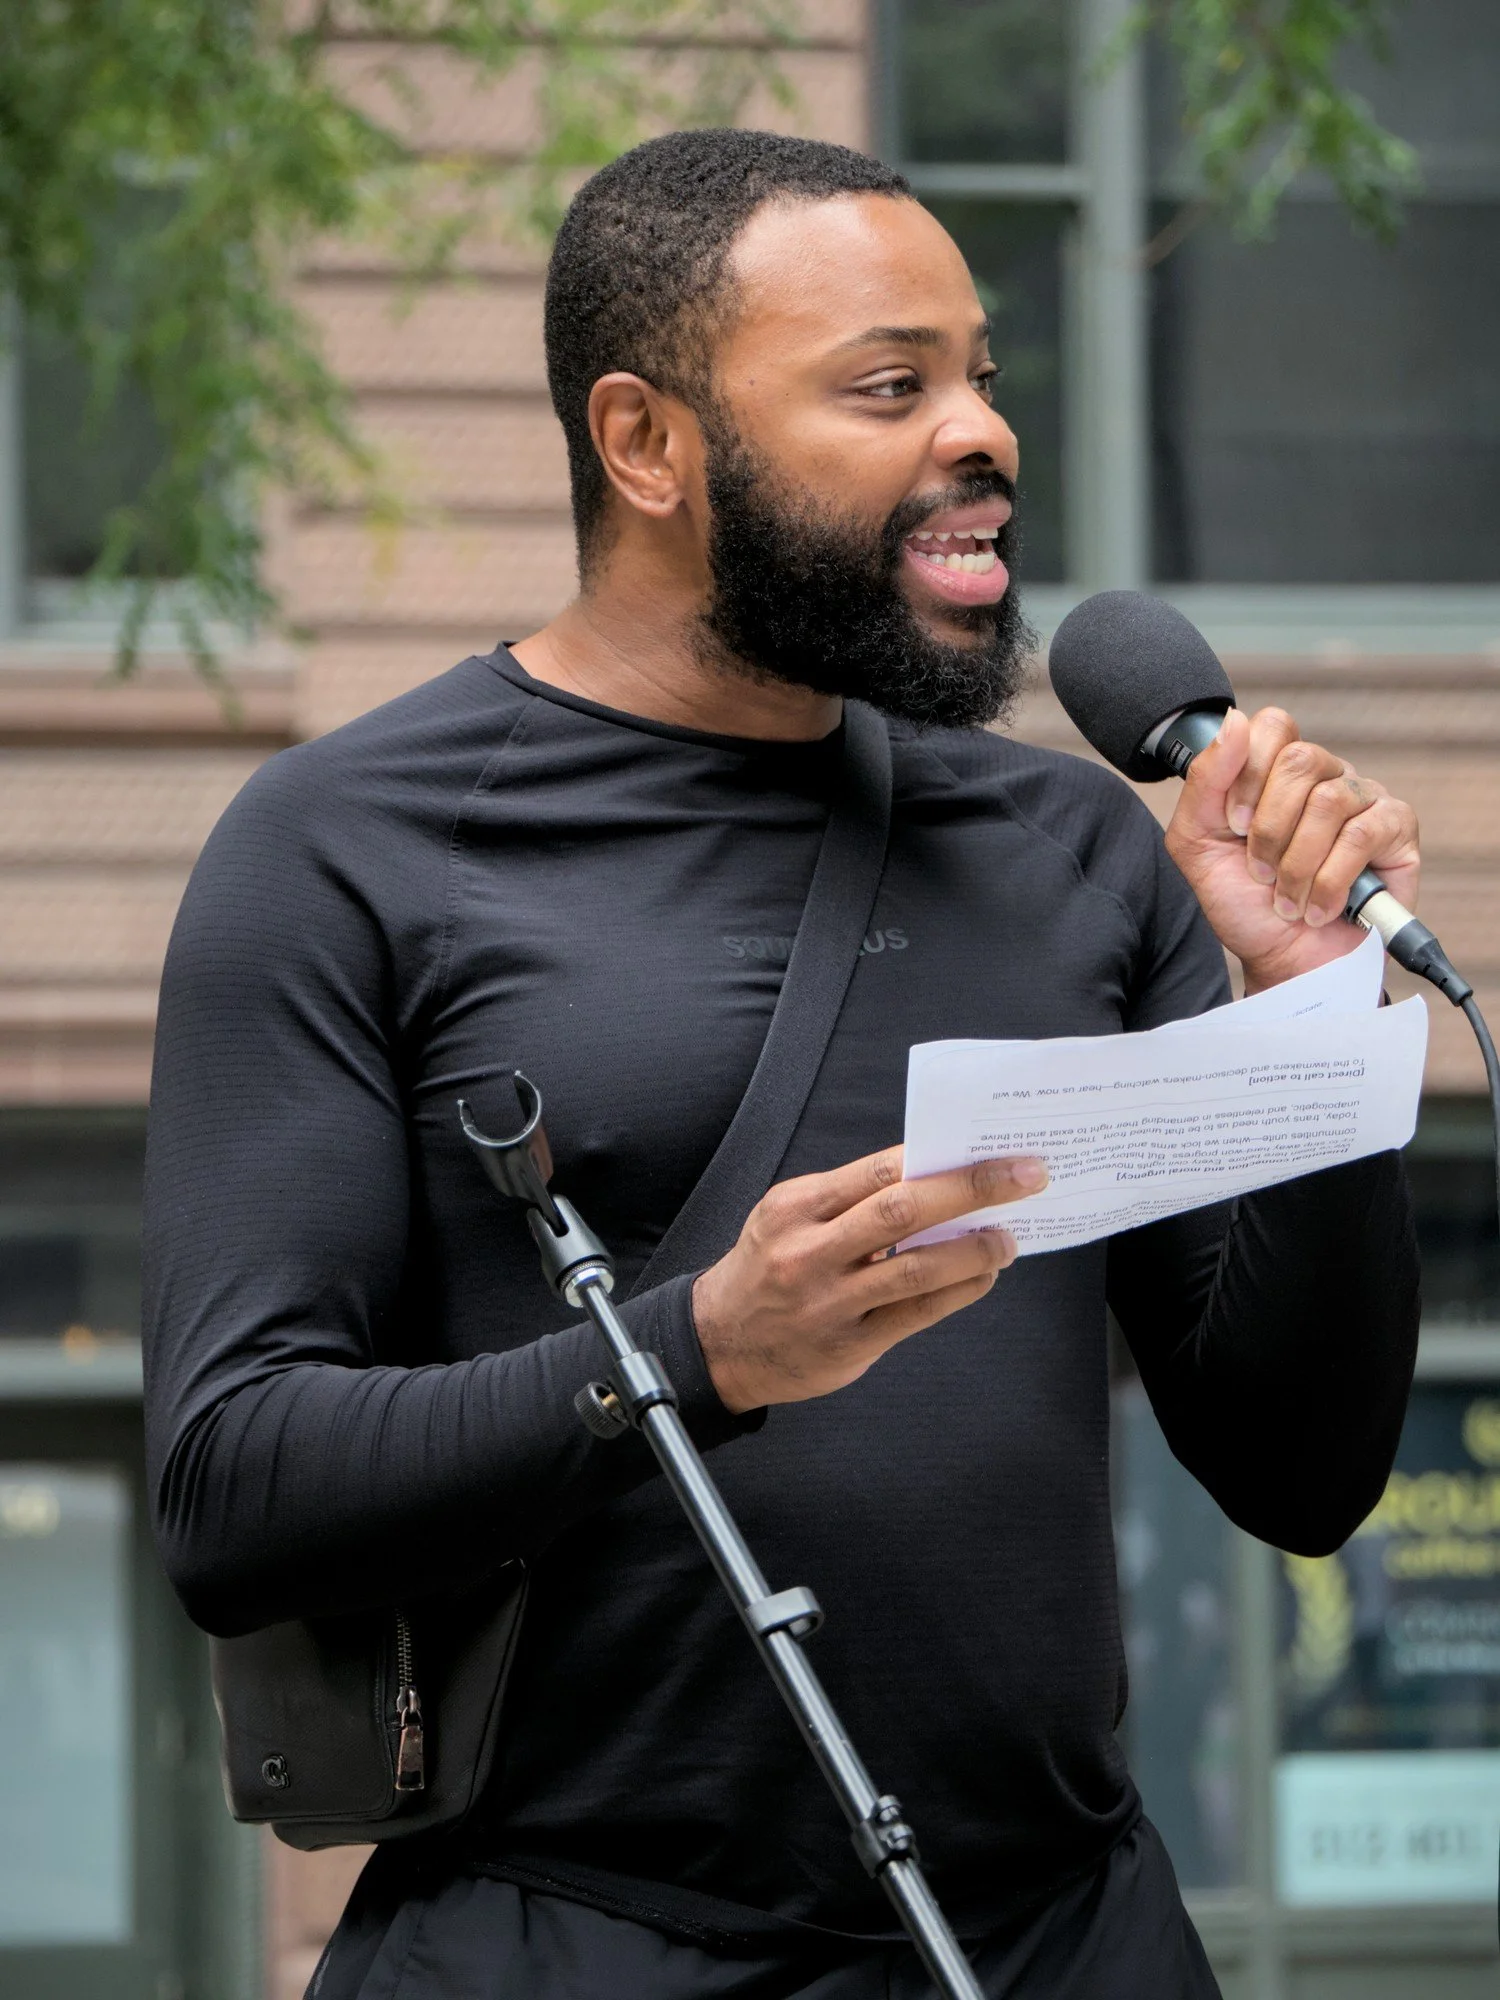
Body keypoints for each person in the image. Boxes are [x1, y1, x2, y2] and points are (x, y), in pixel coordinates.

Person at [142, 130, 1422, 1999]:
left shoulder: (1078, 852)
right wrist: (697, 1359)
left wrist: (1312, 1016)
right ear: (646, 444)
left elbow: (1301, 1473)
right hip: (578, 1942)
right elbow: (232, 1490)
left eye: (983, 375)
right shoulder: (351, 845)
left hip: (1065, 1943)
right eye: (891, 386)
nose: (981, 431)